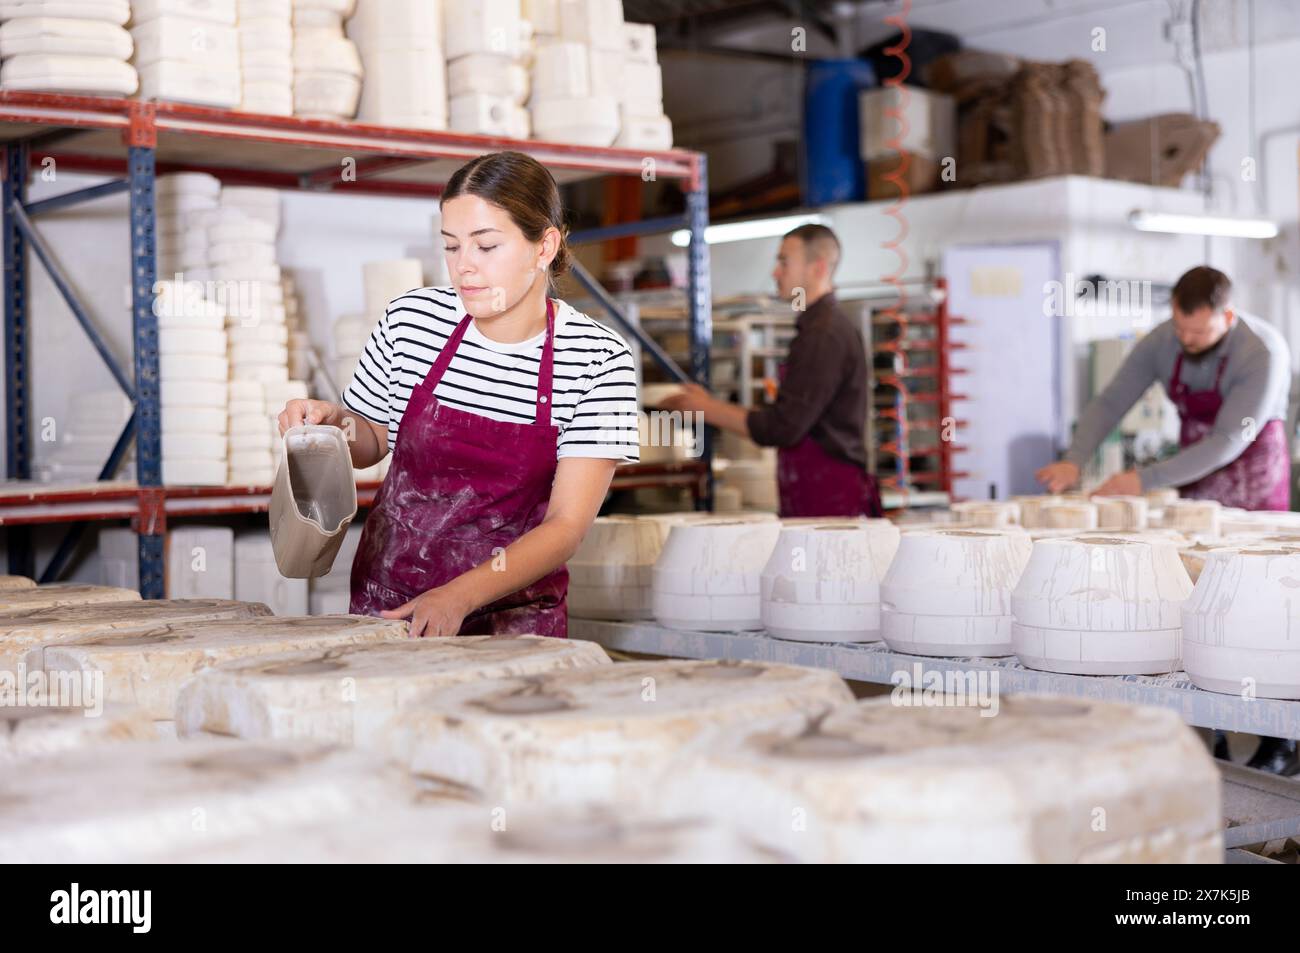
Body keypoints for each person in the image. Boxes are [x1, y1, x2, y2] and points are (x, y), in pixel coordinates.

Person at [277, 151, 640, 638]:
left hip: (514, 623)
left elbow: (566, 525)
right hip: (393, 606)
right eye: (450, 247)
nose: (463, 267)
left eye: (485, 246)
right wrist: (331, 426)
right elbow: (372, 440)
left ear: (544, 246)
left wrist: (458, 596)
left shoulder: (598, 357)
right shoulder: (413, 320)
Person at [1037, 264, 1296, 776]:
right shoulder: (1164, 341)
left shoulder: (1262, 352)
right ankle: (1211, 731)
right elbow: (1112, 400)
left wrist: (1143, 479)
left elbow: (1229, 441)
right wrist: (1076, 456)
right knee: (1199, 593)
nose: (1187, 340)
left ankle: (1280, 739)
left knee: (1260, 601)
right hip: (1196, 472)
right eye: (1181, 329)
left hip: (1253, 471)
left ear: (1228, 315)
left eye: (1199, 332)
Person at [661, 223, 881, 518]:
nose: (775, 272)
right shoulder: (818, 328)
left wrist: (705, 408)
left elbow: (782, 428)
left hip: (829, 498)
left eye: (784, 262)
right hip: (820, 493)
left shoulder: (824, 334)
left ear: (818, 268)